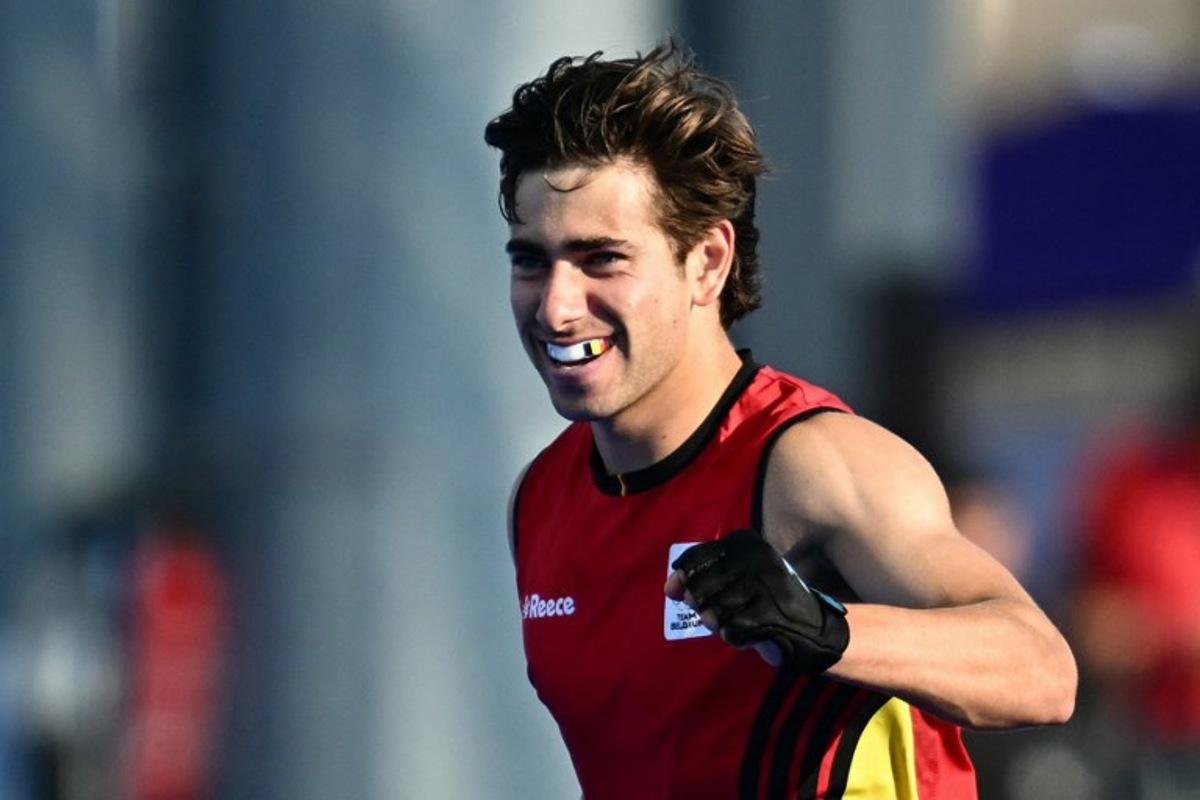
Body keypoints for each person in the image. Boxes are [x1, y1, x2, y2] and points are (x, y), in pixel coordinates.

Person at [485, 42, 1076, 800]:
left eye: (601, 260)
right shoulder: (540, 499)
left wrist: (825, 629)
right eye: (532, 261)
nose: (558, 306)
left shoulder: (811, 464)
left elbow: (1041, 671)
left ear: (706, 261)